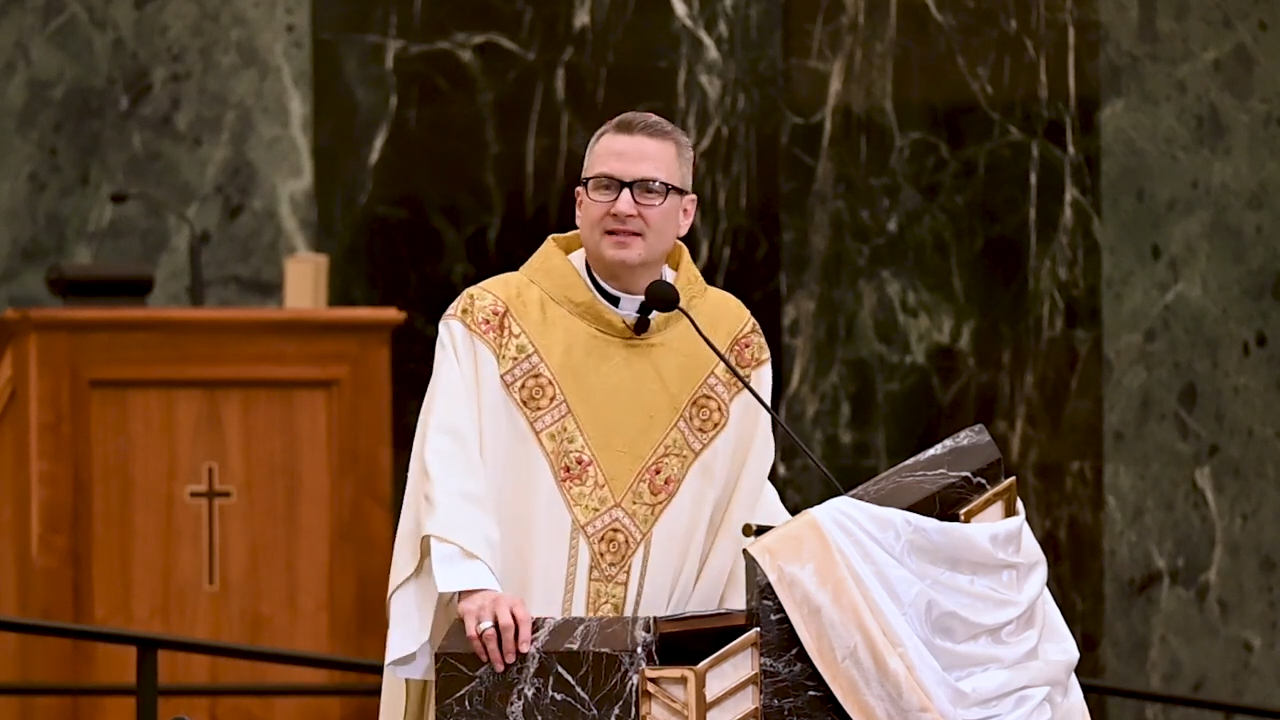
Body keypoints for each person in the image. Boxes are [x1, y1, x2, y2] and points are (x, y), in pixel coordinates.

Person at [377, 111, 792, 720]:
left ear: (686, 213)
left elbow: (741, 497)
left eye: (651, 189)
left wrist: (825, 560)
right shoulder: (492, 319)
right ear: (579, 203)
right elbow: (449, 461)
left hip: (665, 683)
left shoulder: (728, 339)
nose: (625, 205)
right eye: (606, 186)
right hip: (513, 664)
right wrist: (475, 583)